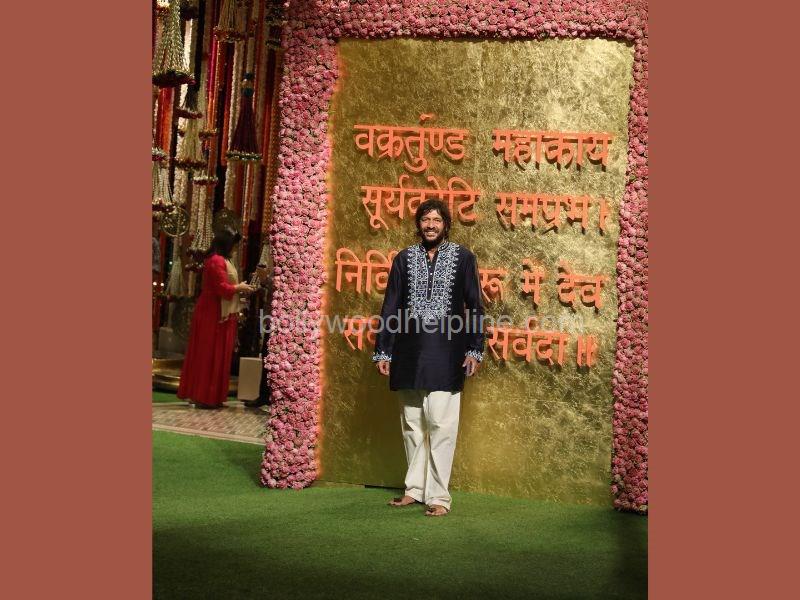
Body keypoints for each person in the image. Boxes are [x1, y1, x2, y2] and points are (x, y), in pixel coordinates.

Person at [373, 198, 485, 517]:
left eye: (436, 220)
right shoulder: (404, 259)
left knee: (441, 424)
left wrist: (474, 348)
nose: (431, 225)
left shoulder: (463, 258)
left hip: (447, 354)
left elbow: (475, 306)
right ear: (418, 224)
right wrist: (384, 349)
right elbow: (391, 306)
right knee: (412, 424)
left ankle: (438, 496)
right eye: (425, 220)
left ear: (446, 225)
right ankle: (414, 490)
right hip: (408, 353)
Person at [177, 228, 255, 409]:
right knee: (209, 353)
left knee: (218, 354)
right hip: (212, 313)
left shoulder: (224, 260)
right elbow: (222, 287)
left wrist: (238, 288)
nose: (235, 249)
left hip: (221, 312)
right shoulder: (216, 261)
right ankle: (204, 396)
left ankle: (212, 396)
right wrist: (239, 288)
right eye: (234, 245)